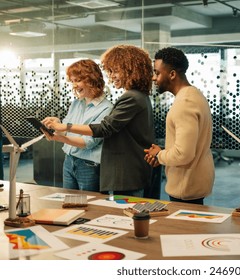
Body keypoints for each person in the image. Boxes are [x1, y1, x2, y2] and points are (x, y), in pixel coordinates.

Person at [44, 45, 155, 197]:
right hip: (78, 162)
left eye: (115, 71)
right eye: (110, 71)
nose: (111, 76)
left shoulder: (130, 98)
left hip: (118, 170)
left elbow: (103, 129)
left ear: (130, 69)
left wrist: (64, 128)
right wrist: (58, 126)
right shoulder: (137, 96)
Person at [144, 47, 215, 205]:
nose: (154, 78)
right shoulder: (194, 95)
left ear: (172, 74)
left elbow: (183, 154)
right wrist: (162, 156)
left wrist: (159, 155)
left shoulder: (184, 103)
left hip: (186, 186)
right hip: (193, 182)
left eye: (157, 73)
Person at [42, 59, 113, 192]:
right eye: (72, 81)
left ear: (92, 80)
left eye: (78, 80)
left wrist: (59, 138)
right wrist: (56, 125)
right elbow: (66, 130)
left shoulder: (106, 108)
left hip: (89, 166)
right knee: (69, 204)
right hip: (69, 161)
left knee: (90, 208)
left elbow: (88, 143)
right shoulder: (76, 103)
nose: (74, 85)